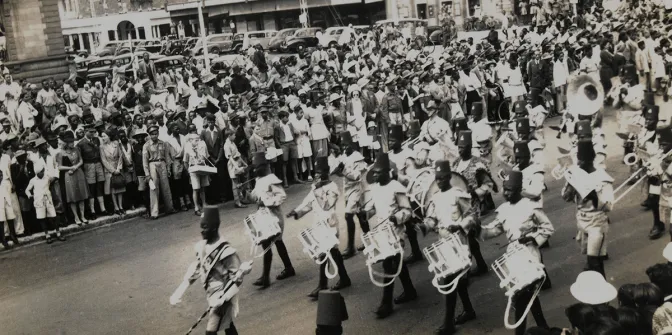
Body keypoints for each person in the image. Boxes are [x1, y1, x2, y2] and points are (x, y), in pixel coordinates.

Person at [481, 170, 554, 335]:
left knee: (521, 296)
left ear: (519, 189)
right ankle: (544, 328)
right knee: (528, 295)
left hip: (529, 254)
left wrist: (532, 239)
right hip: (513, 257)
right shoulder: (503, 209)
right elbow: (493, 231)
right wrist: (477, 229)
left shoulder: (531, 206)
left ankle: (519, 333)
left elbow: (548, 228)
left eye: (510, 190)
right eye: (504, 189)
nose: (505, 193)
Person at [170, 206, 253, 335]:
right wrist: (179, 291)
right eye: (201, 227)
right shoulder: (201, 247)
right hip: (212, 295)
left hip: (223, 298)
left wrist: (224, 297)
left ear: (214, 228)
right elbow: (197, 269)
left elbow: (237, 278)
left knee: (211, 331)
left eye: (205, 227)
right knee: (228, 325)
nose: (202, 231)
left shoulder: (226, 252)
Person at [423, 160, 477, 334]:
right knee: (457, 280)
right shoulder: (435, 198)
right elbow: (431, 219)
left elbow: (471, 215)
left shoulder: (458, 194)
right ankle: (469, 311)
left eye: (443, 178)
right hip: (444, 244)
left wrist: (460, 225)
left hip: (459, 242)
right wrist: (426, 225)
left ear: (449, 177)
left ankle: (448, 323)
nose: (440, 181)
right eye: (437, 178)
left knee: (449, 280)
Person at [363, 152, 418, 319]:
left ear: (387, 172)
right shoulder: (376, 188)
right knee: (397, 261)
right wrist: (365, 213)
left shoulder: (396, 187)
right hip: (382, 231)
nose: (376, 175)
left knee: (389, 263)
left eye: (378, 172)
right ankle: (410, 290)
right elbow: (373, 208)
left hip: (396, 230)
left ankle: (386, 303)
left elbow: (407, 210)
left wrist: (397, 217)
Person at [288, 156, 351, 298]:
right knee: (332, 253)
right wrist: (297, 211)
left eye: (320, 172)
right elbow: (308, 203)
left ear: (326, 172)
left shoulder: (333, 188)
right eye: (316, 172)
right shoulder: (316, 187)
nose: (316, 175)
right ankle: (345, 278)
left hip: (330, 224)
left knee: (324, 253)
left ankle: (322, 285)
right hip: (319, 225)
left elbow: (326, 205)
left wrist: (318, 189)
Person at [562, 140, 614, 277]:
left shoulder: (603, 178)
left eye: (582, 160)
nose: (579, 163)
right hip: (582, 222)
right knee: (594, 261)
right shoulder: (576, 174)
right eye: (578, 159)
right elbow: (566, 198)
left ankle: (602, 295)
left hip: (597, 223)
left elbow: (609, 206)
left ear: (591, 158)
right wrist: (569, 186)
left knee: (593, 261)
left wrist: (595, 197)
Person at [250, 152, 295, 289]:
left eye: (258, 168)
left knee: (271, 243)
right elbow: (256, 196)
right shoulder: (258, 180)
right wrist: (249, 196)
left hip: (274, 217)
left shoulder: (271, 179)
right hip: (264, 216)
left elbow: (282, 196)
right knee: (272, 243)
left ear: (264, 167)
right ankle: (287, 268)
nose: (255, 171)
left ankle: (266, 277)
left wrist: (268, 202)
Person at [452, 130, 492, 275]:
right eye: (459, 147)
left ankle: (466, 270)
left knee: (466, 234)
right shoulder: (455, 163)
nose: (460, 150)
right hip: (458, 205)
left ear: (469, 147)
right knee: (466, 236)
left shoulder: (478, 164)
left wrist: (474, 192)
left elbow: (488, 185)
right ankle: (480, 264)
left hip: (472, 206)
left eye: (463, 147)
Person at [337, 131, 369, 259]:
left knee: (348, 215)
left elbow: (356, 176)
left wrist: (343, 171)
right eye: (342, 145)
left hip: (357, 188)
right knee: (360, 214)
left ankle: (351, 247)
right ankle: (369, 240)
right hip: (347, 189)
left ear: (351, 144)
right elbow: (340, 173)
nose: (344, 148)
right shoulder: (344, 156)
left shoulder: (358, 157)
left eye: (346, 145)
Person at [26, 161, 65, 244]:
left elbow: (54, 179)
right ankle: (47, 235)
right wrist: (29, 195)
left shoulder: (47, 177)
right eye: (41, 172)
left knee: (54, 216)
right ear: (37, 173)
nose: (43, 173)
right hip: (39, 201)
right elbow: (27, 190)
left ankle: (58, 233)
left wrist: (56, 169)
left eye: (43, 171)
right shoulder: (33, 180)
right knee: (42, 218)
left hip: (48, 200)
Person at [56, 130, 90, 225]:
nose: (72, 143)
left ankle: (82, 216)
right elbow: (60, 166)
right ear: (66, 142)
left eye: (72, 141)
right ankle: (76, 217)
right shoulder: (61, 153)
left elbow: (81, 161)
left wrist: (76, 167)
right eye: (70, 142)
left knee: (81, 195)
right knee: (72, 197)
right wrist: (70, 167)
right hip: (69, 174)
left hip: (78, 172)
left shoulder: (76, 149)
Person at [142, 125, 175, 219]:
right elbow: (144, 161)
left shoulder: (163, 143)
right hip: (152, 164)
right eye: (152, 134)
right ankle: (154, 212)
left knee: (166, 187)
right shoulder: (146, 145)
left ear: (158, 133)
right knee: (154, 188)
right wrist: (147, 174)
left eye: (156, 133)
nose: (154, 136)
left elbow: (167, 157)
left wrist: (168, 169)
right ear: (149, 135)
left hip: (162, 163)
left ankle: (170, 208)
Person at [77, 124, 108, 219]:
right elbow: (80, 158)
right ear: (85, 131)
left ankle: (103, 209)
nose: (93, 133)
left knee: (99, 185)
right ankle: (92, 211)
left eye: (94, 132)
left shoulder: (97, 140)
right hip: (88, 165)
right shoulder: (81, 144)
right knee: (91, 187)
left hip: (98, 163)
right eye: (90, 132)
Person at [100, 128, 126, 215]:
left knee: (120, 188)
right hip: (109, 171)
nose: (103, 138)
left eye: (104, 136)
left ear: (109, 136)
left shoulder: (116, 144)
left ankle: (121, 206)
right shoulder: (102, 147)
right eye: (102, 136)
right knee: (113, 190)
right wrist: (112, 170)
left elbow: (120, 156)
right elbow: (104, 160)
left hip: (118, 168)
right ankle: (116, 207)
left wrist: (118, 168)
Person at [184, 133, 211, 216]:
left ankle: (204, 204)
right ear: (191, 140)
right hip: (193, 169)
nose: (198, 141)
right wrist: (189, 171)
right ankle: (196, 207)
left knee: (203, 187)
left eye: (198, 139)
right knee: (195, 188)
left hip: (202, 167)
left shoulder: (201, 146)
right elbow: (185, 161)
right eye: (196, 140)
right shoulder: (188, 148)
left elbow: (205, 158)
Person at [0, 168, 18, 249]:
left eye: (1, 175)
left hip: (7, 201)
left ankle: (13, 235)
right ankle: (3, 240)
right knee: (1, 221)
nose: (0, 177)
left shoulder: (4, 184)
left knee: (11, 218)